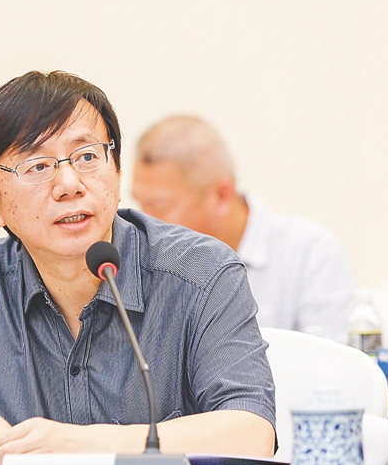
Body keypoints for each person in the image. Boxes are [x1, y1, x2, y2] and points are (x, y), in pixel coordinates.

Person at [0, 72, 276, 465]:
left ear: (117, 171)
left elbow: (251, 432)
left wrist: (80, 445)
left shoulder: (201, 274)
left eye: (87, 156)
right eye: (37, 166)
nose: (70, 184)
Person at [132, 116, 356, 343]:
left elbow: (330, 361)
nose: (144, 219)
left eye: (157, 205)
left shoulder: (311, 255)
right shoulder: (149, 261)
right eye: (139, 202)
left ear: (221, 195)